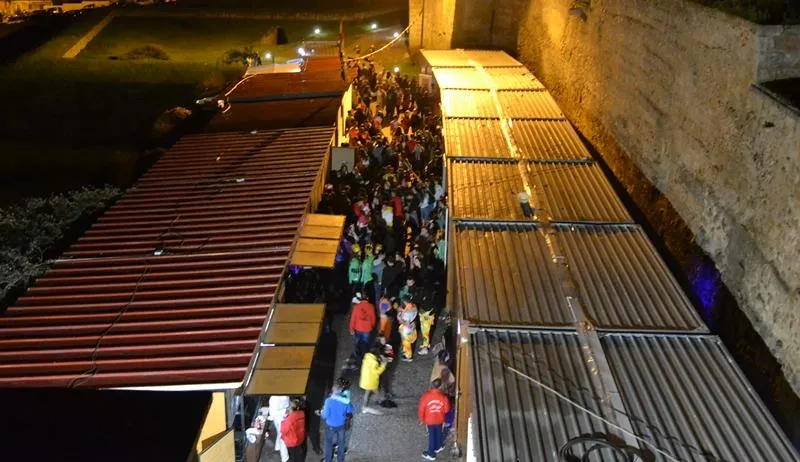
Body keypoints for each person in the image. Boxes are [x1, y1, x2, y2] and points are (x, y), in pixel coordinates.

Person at [319, 381, 354, 462]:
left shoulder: (328, 401)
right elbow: (350, 410)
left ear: (333, 390)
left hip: (330, 425)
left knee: (328, 443)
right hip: (341, 425)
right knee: (341, 443)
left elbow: (325, 415)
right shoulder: (344, 399)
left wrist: (321, 412)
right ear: (340, 390)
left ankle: (328, 460)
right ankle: (340, 460)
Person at [418, 378, 450, 460]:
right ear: (440, 387)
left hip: (429, 420)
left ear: (432, 385)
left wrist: (421, 419)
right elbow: (446, 410)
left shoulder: (426, 396)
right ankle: (438, 446)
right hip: (440, 419)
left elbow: (421, 409)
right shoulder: (444, 397)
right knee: (439, 432)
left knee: (431, 436)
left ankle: (431, 454)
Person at [359, 344, 387, 415]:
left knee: (369, 392)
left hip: (365, 379)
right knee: (373, 391)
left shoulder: (367, 356)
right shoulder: (374, 362)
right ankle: (378, 401)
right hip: (371, 380)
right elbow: (377, 372)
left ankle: (368, 404)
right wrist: (383, 365)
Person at [349, 293, 376, 363]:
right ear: (367, 299)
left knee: (357, 343)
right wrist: (372, 326)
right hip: (367, 329)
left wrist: (351, 329)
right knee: (365, 344)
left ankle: (357, 358)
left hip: (358, 328)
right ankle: (364, 358)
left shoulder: (356, 307)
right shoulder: (371, 306)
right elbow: (373, 318)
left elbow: (353, 319)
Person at [268, 395, 291, 462]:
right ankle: (285, 458)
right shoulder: (273, 398)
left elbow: (288, 402)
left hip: (284, 418)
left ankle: (277, 447)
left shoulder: (285, 394)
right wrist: (285, 411)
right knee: (283, 438)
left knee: (280, 434)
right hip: (279, 420)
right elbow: (272, 414)